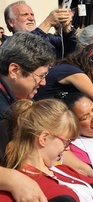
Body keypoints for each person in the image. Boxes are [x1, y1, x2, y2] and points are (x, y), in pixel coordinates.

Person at [0, 32, 56, 201]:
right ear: (14, 70)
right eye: (41, 76)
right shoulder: (3, 115)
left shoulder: (14, 99)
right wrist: (12, 180)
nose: (44, 83)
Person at [4, 0, 77, 59]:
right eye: (25, 14)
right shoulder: (7, 44)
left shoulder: (49, 38)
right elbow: (27, 47)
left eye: (32, 14)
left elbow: (72, 49)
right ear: (11, 22)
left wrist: (66, 29)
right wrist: (48, 23)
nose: (31, 18)